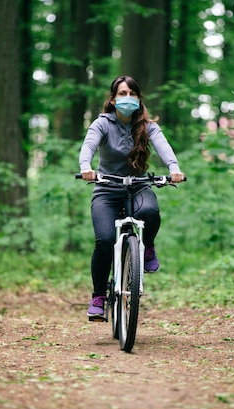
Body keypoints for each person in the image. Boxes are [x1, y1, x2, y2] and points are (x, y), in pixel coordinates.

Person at [79, 75, 185, 319]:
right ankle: (98, 295)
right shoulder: (102, 123)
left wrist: (174, 168)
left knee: (150, 211)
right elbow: (89, 146)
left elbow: (163, 146)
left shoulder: (148, 126)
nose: (127, 98)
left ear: (139, 98)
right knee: (104, 240)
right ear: (113, 100)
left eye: (132, 94)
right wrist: (86, 166)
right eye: (122, 94)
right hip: (106, 188)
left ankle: (147, 247)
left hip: (138, 185)